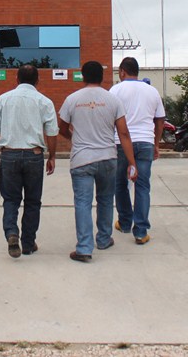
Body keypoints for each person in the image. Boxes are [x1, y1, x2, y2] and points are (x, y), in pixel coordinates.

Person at [58, 61, 136, 262]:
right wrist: (131, 162)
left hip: (82, 159)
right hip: (108, 157)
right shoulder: (113, 100)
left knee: (83, 203)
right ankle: (103, 239)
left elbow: (62, 127)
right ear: (101, 77)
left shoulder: (72, 99)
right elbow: (124, 133)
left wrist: (73, 137)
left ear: (83, 76)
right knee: (105, 199)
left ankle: (84, 248)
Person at [0, 64, 58, 257]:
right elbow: (51, 133)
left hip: (9, 155)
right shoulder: (45, 102)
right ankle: (28, 243)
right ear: (37, 81)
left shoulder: (4, 99)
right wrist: (52, 156)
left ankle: (11, 232)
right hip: (34, 156)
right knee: (33, 201)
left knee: (10, 199)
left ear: (16, 79)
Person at [111, 57, 166, 245]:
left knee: (120, 184)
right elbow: (160, 119)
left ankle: (125, 222)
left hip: (121, 144)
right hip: (145, 143)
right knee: (142, 186)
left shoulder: (115, 90)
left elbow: (109, 118)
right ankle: (141, 232)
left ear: (122, 72)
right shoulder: (152, 91)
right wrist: (156, 143)